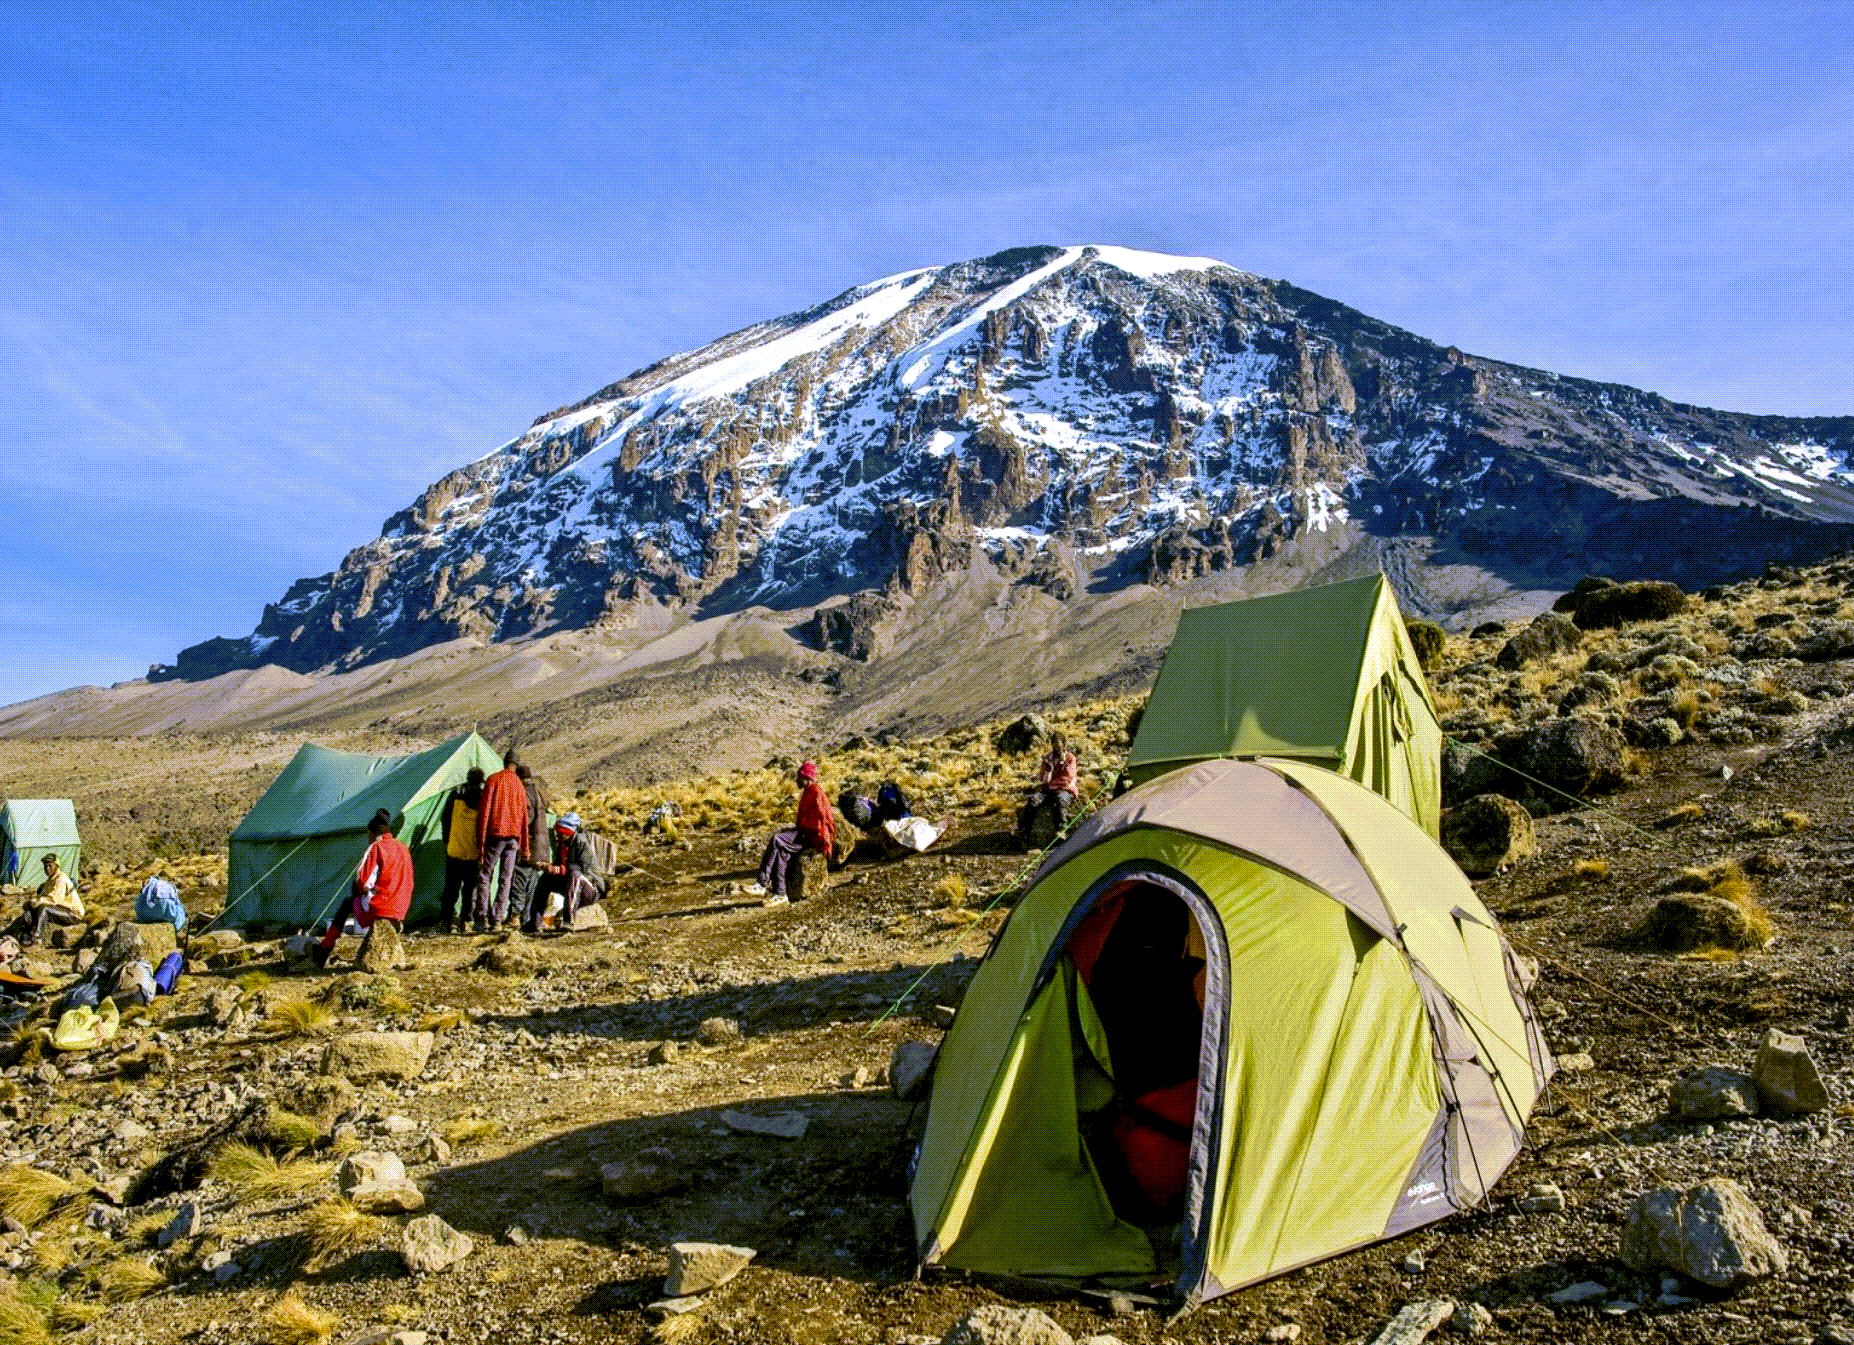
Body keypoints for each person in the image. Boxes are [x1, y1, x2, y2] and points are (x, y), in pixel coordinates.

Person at [312, 809, 413, 969]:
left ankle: (324, 948)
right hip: (401, 909)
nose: (368, 839)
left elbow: (362, 881)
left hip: (381, 907)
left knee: (347, 904)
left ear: (374, 834)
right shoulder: (403, 849)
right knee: (354, 901)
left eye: (368, 835)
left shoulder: (377, 848)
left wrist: (358, 891)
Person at [758, 761, 835, 900]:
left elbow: (819, 822)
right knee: (781, 851)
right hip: (807, 833)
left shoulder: (816, 794)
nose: (796, 780)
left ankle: (761, 883)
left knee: (777, 840)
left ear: (807, 778)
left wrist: (803, 831)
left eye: (799, 777)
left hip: (814, 837)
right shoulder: (808, 792)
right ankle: (780, 894)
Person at [524, 812, 607, 933]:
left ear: (568, 832)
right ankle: (535, 922)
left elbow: (584, 870)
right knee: (545, 878)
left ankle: (569, 921)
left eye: (560, 832)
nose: (557, 835)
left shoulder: (581, 842)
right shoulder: (563, 845)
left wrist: (559, 870)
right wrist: (547, 867)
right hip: (571, 885)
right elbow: (558, 867)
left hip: (590, 888)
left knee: (575, 876)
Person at [474, 750, 529, 932]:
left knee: (484, 875)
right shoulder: (520, 786)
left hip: (496, 834)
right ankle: (497, 919)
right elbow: (524, 818)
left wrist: (480, 841)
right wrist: (525, 846)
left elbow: (485, 811)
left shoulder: (494, 780)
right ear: (516, 765)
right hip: (513, 838)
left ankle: (482, 918)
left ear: (504, 761)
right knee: (505, 878)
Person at [505, 763, 551, 931]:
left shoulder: (525, 794)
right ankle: (528, 920)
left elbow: (525, 821)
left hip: (528, 847)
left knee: (518, 881)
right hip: (541, 848)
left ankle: (515, 917)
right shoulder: (538, 792)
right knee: (531, 884)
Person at [439, 768, 485, 933]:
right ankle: (466, 921)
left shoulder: (455, 794)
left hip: (455, 849)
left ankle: (446, 920)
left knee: (451, 888)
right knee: (469, 890)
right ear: (481, 780)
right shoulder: (483, 797)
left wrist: (447, 840)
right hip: (473, 852)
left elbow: (445, 818)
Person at [1018, 732, 1079, 846]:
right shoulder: (1048, 759)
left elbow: (1068, 777)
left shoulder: (1070, 758)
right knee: (1033, 800)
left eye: (1059, 745)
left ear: (1064, 745)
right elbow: (1043, 778)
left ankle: (1062, 829)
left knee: (1061, 800)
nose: (1056, 748)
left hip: (1064, 789)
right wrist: (1049, 771)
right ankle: (1023, 830)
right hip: (1049, 790)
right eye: (1054, 745)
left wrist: (1053, 782)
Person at [23, 855, 84, 946]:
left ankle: (37, 938)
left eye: (50, 866)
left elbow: (54, 900)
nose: (47, 869)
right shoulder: (50, 880)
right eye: (45, 866)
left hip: (73, 913)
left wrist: (37, 902)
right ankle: (26, 936)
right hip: (61, 910)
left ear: (56, 866)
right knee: (30, 910)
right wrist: (32, 902)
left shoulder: (61, 879)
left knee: (44, 909)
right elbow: (42, 896)